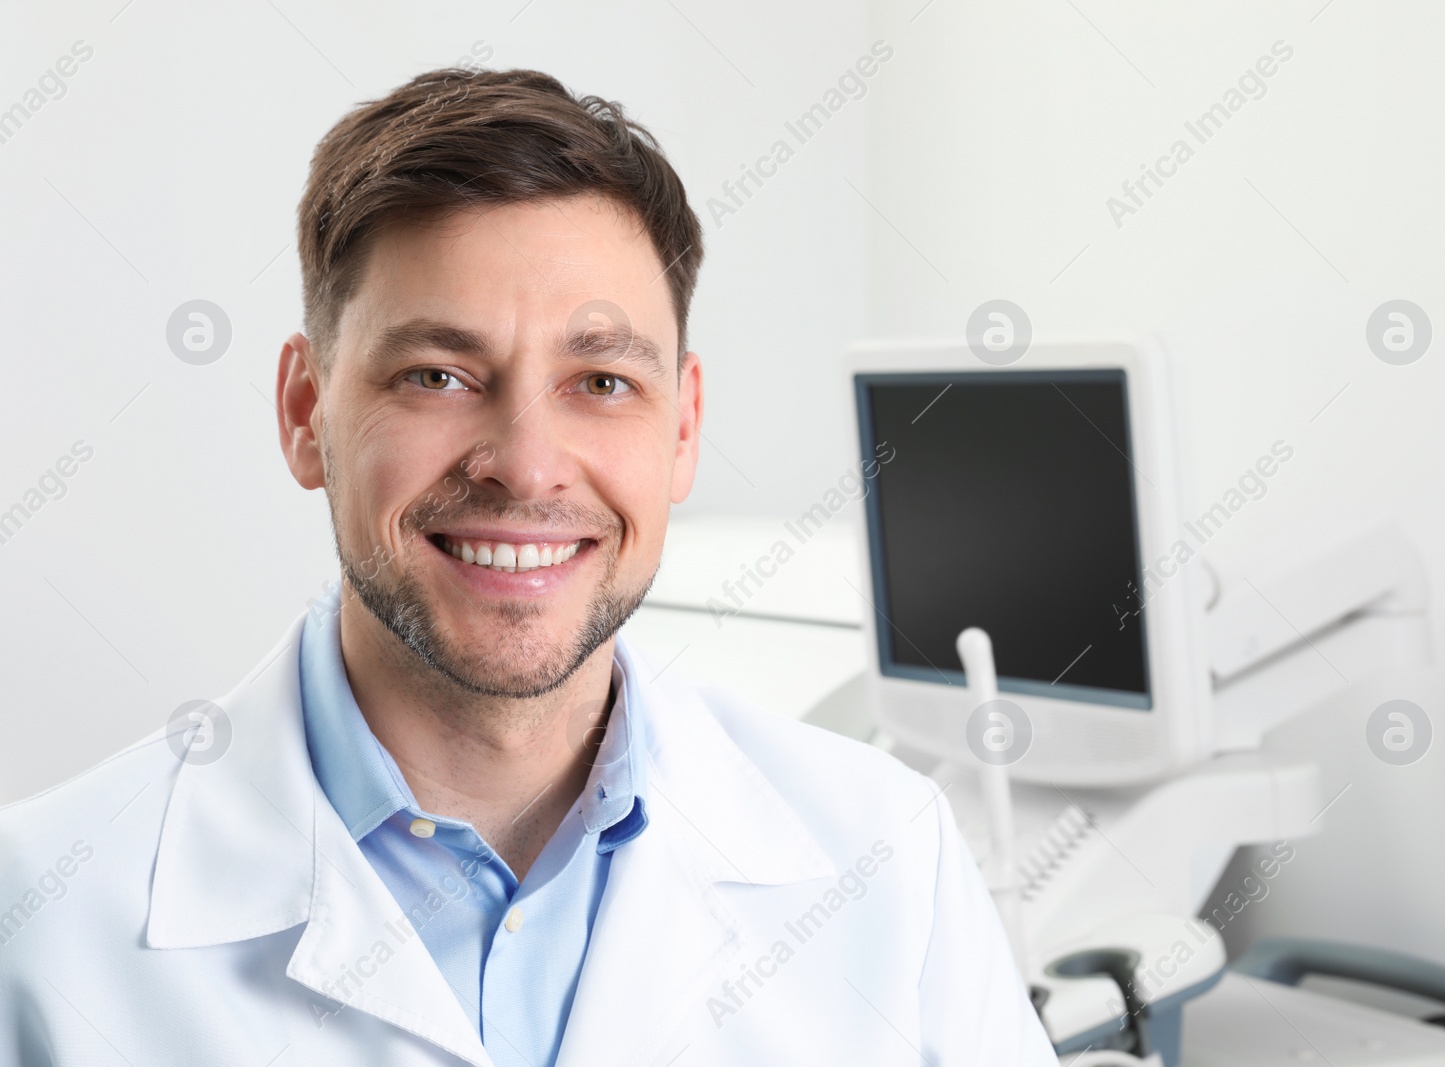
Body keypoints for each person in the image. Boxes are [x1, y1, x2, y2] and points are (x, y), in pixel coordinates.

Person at [0, 68, 1057, 1065]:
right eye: (438, 373)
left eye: (598, 380)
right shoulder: (40, 917)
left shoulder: (885, 855)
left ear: (682, 427)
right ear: (305, 410)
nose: (526, 465)